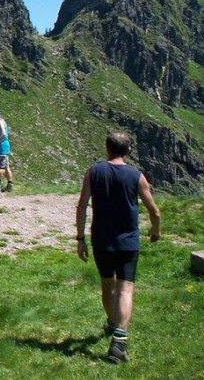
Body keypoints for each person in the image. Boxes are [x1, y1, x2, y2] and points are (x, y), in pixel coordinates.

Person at [76, 131, 161, 364]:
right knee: (125, 289)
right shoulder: (137, 176)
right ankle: (119, 341)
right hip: (128, 241)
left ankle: (113, 322)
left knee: (107, 284)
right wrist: (155, 230)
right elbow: (154, 211)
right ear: (129, 151)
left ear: (107, 148)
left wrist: (80, 238)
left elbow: (82, 206)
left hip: (101, 239)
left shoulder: (93, 172)